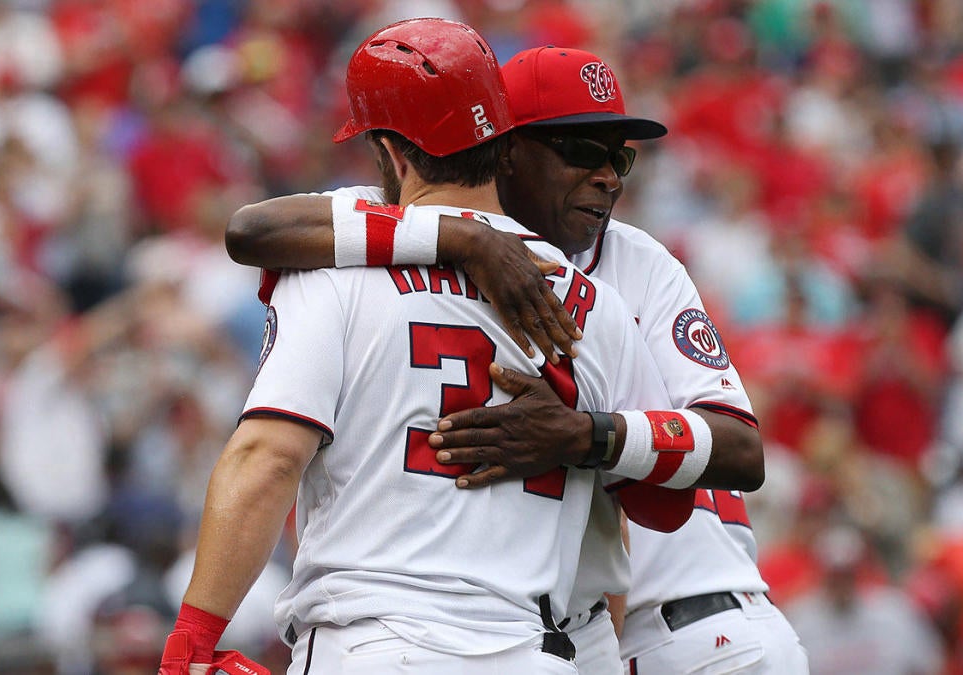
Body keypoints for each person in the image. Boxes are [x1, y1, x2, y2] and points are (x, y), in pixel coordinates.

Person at [227, 45, 808, 674]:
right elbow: (252, 231)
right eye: (583, 151)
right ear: (505, 149)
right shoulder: (413, 218)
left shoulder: (637, 265)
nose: (609, 176)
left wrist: (586, 435)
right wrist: (467, 238)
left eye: (621, 158)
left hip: (692, 631)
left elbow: (743, 451)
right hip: (567, 635)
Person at [160, 19, 674, 675]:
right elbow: (655, 506)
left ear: (391, 151)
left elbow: (268, 455)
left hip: (374, 644)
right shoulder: (594, 301)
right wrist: (583, 433)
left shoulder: (332, 267)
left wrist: (196, 633)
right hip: (532, 652)